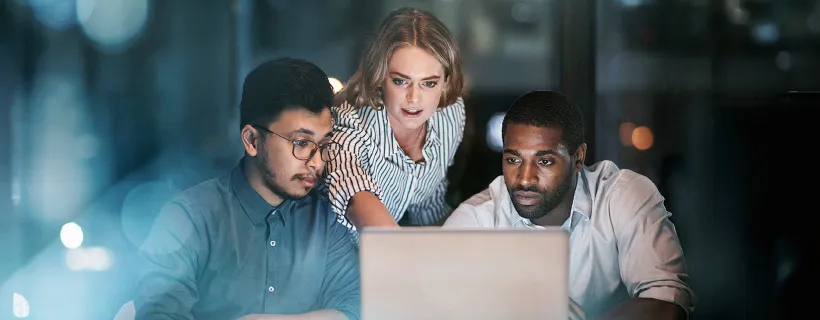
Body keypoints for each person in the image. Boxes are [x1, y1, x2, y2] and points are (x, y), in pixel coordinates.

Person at [134, 58, 360, 320]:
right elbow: (158, 313)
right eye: (301, 142)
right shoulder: (189, 219)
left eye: (323, 144)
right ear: (252, 140)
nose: (318, 161)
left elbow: (355, 308)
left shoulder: (326, 220)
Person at [443, 91, 694, 320]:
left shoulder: (621, 196)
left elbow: (667, 304)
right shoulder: (475, 221)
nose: (525, 178)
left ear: (578, 159)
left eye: (544, 161)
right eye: (513, 160)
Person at [326, 7, 466, 236]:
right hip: (337, 262)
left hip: (398, 255)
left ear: (446, 82)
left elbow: (428, 205)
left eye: (429, 83)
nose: (414, 98)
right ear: (380, 76)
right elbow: (354, 195)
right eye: (401, 81)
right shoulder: (350, 124)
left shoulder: (449, 114)